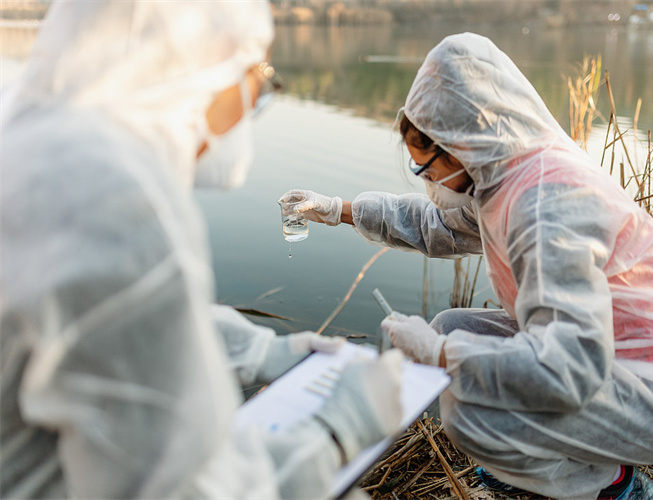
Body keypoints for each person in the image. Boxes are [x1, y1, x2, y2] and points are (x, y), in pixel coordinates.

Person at [0, 1, 405, 498]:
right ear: (204, 59)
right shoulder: (112, 200)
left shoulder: (37, 145)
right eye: (258, 78)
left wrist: (256, 350)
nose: (256, 99)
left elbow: (106, 327)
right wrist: (337, 429)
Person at [280, 32, 653, 499]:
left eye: (428, 168)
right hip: (612, 358)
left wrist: (444, 356)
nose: (428, 182)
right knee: (451, 325)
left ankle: (616, 488)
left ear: (465, 143)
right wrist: (338, 209)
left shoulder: (547, 203)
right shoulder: (504, 176)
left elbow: (568, 368)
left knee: (469, 413)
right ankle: (558, 466)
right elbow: (434, 225)